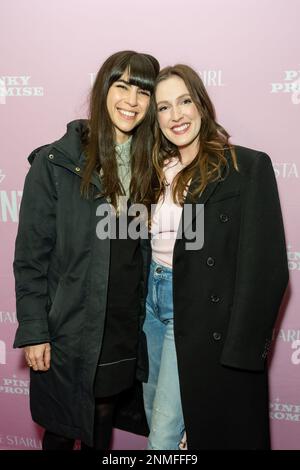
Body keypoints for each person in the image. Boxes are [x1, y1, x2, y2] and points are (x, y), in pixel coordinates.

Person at [13, 50, 159, 450]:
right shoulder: (55, 163)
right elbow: (30, 258)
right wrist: (34, 330)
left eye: (143, 92)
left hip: (120, 331)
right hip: (67, 330)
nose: (131, 100)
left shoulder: (153, 167)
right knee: (60, 431)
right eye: (122, 85)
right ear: (103, 89)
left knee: (101, 425)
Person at [141, 64, 289, 450]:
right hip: (147, 309)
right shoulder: (155, 170)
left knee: (162, 436)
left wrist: (239, 353)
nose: (176, 115)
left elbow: (266, 269)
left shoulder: (243, 167)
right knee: (158, 421)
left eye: (184, 101)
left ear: (202, 105)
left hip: (193, 312)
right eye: (163, 107)